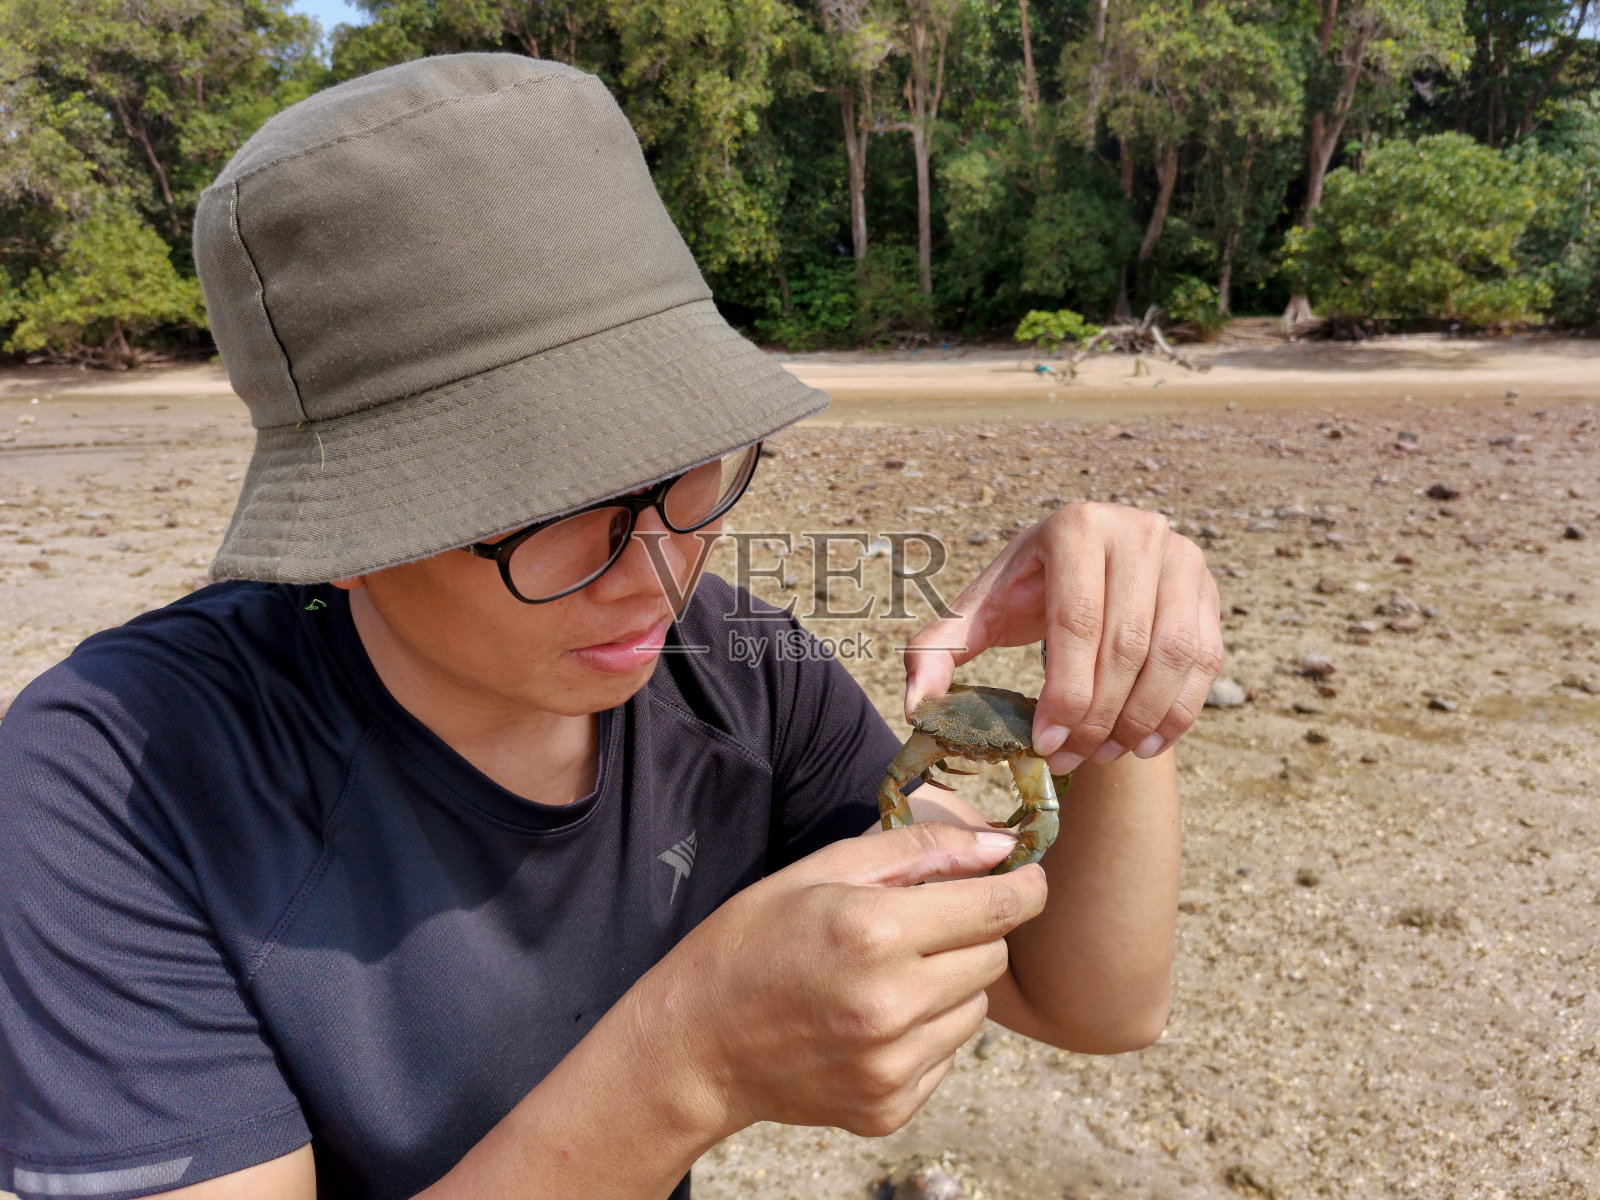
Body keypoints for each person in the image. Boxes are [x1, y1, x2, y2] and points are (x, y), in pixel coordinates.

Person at [0, 54, 1221, 1200]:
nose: (652, 569)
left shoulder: (737, 680)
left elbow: (1091, 1004)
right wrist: (688, 1063)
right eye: (545, 504)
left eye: (684, 466)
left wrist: (1106, 689)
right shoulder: (111, 784)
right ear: (352, 531)